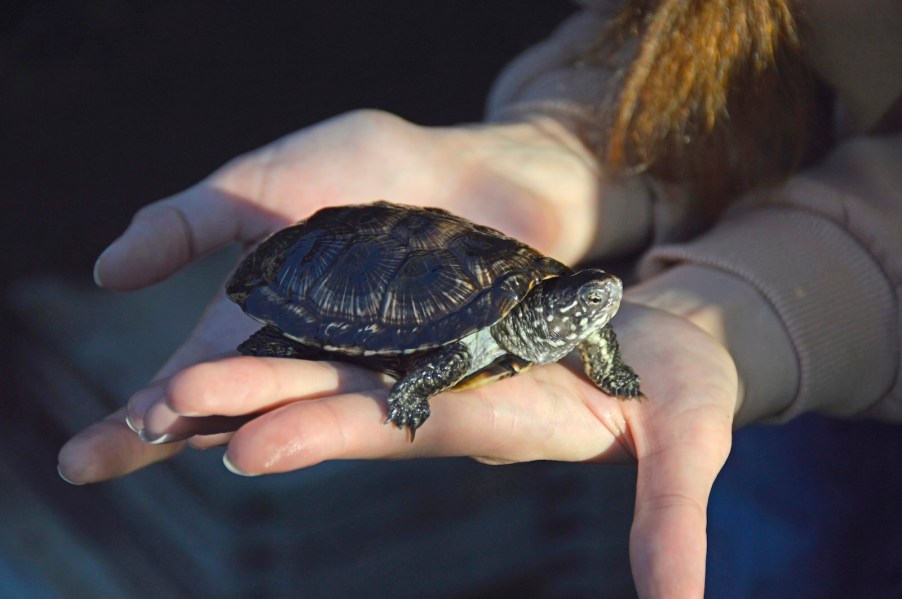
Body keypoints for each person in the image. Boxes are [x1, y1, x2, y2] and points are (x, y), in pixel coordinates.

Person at [57, 1, 901, 597]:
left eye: (590, 310)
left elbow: (566, 329)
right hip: (341, 268)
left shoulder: (552, 324)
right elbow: (704, 37)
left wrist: (625, 353)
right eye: (581, 306)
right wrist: (555, 145)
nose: (594, 308)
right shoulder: (504, 317)